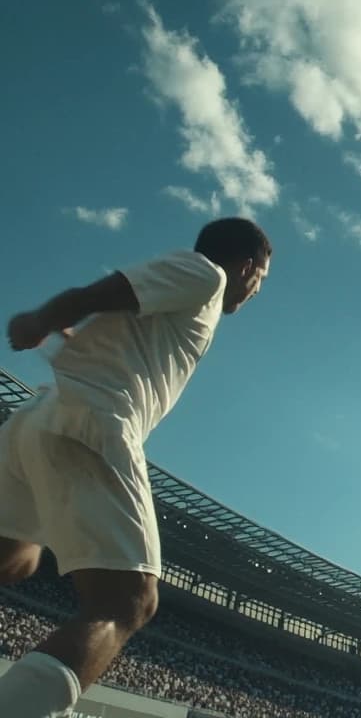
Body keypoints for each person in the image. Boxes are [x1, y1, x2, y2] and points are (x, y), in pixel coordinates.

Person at [0, 217, 272, 717]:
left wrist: (61, 329)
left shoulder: (186, 300)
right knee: (129, 602)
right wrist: (42, 318)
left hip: (39, 421)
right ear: (248, 266)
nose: (257, 291)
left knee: (16, 559)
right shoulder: (207, 274)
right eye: (261, 279)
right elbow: (104, 292)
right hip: (92, 422)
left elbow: (116, 320)